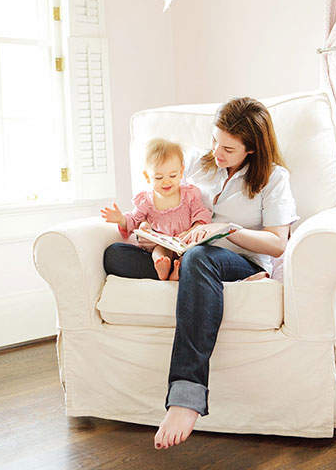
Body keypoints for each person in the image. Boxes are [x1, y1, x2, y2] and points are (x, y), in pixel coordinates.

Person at [103, 97, 299, 450]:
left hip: (237, 258)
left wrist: (224, 231)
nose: (216, 152)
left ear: (251, 149)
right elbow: (160, 190)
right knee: (116, 254)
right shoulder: (196, 162)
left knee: (199, 259)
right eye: (214, 140)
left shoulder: (273, 179)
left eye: (227, 148)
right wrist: (152, 229)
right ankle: (187, 274)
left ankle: (185, 397)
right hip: (182, 251)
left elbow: (277, 243)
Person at [101, 138, 212, 281]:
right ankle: (163, 268)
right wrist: (121, 219)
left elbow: (201, 214)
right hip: (162, 245)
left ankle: (177, 270)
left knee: (191, 254)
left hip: (185, 243)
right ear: (147, 177)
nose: (166, 181)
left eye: (172, 175)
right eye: (159, 177)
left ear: (181, 172)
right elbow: (134, 219)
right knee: (159, 252)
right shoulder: (146, 201)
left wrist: (193, 230)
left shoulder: (189, 195)